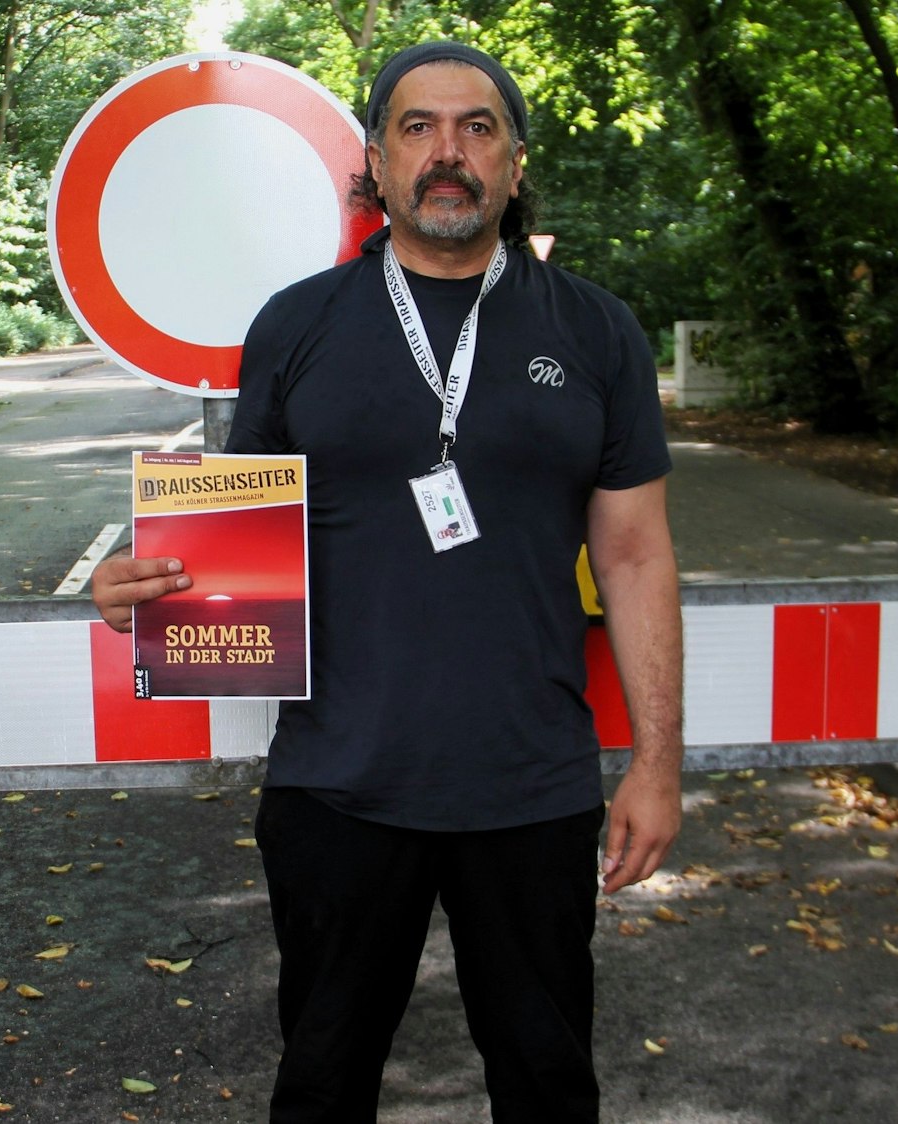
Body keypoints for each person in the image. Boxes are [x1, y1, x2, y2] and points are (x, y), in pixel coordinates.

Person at [91, 40, 683, 1123]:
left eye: (477, 127)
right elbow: (233, 535)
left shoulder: (595, 330)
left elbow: (636, 553)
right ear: (375, 158)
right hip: (336, 784)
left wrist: (657, 762)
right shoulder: (298, 325)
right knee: (320, 1084)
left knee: (550, 1084)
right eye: (418, 127)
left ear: (513, 162)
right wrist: (145, 581)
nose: (447, 152)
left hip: (532, 784)